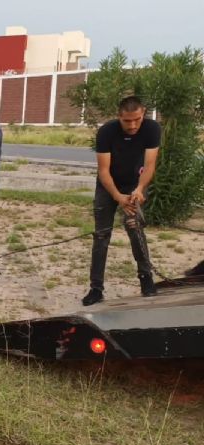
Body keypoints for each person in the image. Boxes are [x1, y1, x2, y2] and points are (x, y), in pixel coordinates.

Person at [81, 96, 161, 306]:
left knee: (135, 229)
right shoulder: (107, 132)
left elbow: (150, 164)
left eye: (137, 119)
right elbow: (103, 170)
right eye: (127, 121)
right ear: (119, 116)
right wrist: (117, 196)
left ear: (143, 113)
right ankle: (96, 288)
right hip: (108, 186)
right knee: (101, 236)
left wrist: (140, 189)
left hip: (134, 185)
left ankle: (146, 279)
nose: (133, 125)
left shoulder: (152, 129)